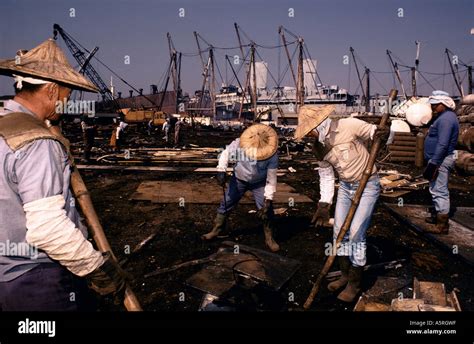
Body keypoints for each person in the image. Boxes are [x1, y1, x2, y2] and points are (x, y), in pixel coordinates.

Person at [0, 39, 126, 311]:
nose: (67, 103)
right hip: (38, 279)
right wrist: (95, 267)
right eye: (67, 96)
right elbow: (47, 229)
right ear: (52, 90)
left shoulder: (4, 127)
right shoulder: (37, 141)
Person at [294, 105, 389, 302]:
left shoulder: (349, 125)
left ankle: (355, 283)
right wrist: (324, 203)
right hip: (346, 187)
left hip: (368, 184)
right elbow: (327, 175)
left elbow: (377, 135)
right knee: (339, 231)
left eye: (309, 129)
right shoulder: (318, 146)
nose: (308, 134)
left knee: (356, 233)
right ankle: (345, 275)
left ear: (319, 124)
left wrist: (386, 133)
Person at [202, 123, 280, 252]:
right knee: (227, 202)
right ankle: (216, 230)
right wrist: (221, 170)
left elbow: (271, 179)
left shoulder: (272, 154)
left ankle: (269, 237)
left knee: (266, 210)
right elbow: (225, 153)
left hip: (259, 182)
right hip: (239, 178)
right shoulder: (239, 143)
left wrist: (269, 199)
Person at [423, 90, 459, 234]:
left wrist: (434, 163)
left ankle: (442, 225)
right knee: (435, 188)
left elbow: (443, 144)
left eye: (435, 105)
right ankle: (438, 216)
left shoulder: (445, 119)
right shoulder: (446, 117)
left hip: (440, 160)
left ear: (443, 104)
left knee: (440, 190)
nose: (433, 108)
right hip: (438, 159)